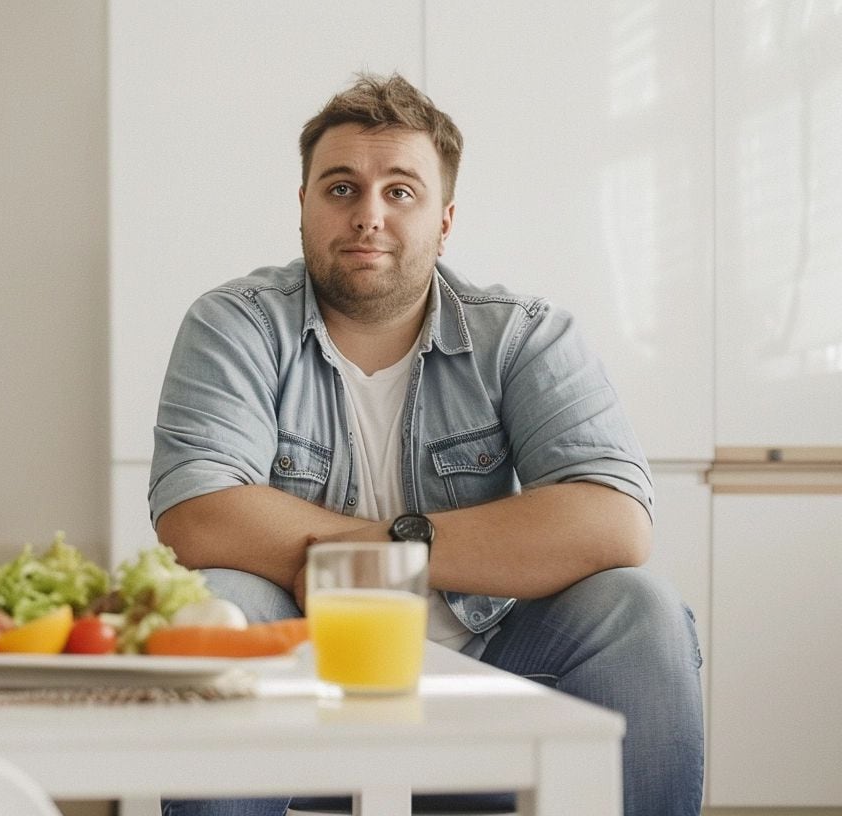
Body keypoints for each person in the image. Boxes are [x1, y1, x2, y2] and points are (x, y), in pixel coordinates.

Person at [149, 73, 703, 816]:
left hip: (492, 681)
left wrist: (384, 550)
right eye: (340, 188)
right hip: (306, 683)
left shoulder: (521, 335)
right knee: (221, 597)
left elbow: (613, 519)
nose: (368, 215)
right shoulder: (235, 324)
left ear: (444, 222)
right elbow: (198, 511)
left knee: (639, 607)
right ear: (305, 208)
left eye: (399, 191)